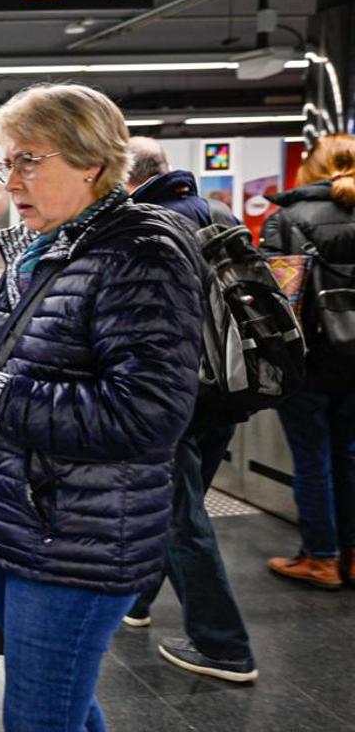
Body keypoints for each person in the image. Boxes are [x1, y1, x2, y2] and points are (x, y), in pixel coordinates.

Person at [0, 84, 203, 731]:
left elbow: (147, 413)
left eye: (29, 160)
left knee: (40, 716)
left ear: (91, 162)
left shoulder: (143, 250)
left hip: (82, 540)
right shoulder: (43, 251)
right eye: (7, 163)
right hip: (28, 525)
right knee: (62, 702)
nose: (12, 179)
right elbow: (32, 376)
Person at [122, 137, 257, 682]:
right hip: (229, 382)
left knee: (179, 516)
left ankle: (223, 645)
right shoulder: (216, 211)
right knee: (183, 504)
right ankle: (137, 600)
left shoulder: (146, 224)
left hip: (177, 388)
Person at [259, 133, 355, 589]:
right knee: (350, 454)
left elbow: (274, 297)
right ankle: (353, 557)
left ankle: (321, 557)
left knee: (312, 456)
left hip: (311, 357)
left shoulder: (289, 217)